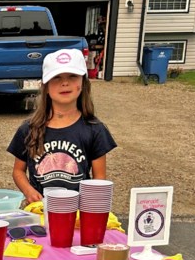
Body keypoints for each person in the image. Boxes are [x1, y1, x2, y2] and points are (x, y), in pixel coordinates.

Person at [7, 48, 116, 206]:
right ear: (46, 85)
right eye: (56, 77)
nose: (65, 83)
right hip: (40, 210)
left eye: (72, 76)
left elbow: (99, 179)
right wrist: (29, 192)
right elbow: (18, 171)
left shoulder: (95, 129)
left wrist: (90, 207)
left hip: (78, 212)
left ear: (83, 82)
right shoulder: (28, 129)